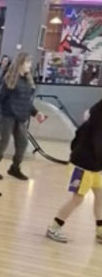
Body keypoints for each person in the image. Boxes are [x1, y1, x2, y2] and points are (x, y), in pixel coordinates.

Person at [46, 99, 102, 244]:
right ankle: (54, 227)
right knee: (78, 198)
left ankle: (100, 230)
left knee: (100, 195)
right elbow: (97, 145)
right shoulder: (97, 122)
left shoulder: (94, 114)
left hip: (94, 165)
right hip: (84, 165)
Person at [0, 52, 42, 181]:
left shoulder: (28, 81)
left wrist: (36, 112)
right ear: (20, 64)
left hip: (21, 117)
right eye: (27, 62)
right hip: (8, 115)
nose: (30, 65)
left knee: (23, 143)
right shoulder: (9, 79)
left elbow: (27, 101)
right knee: (3, 142)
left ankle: (15, 168)